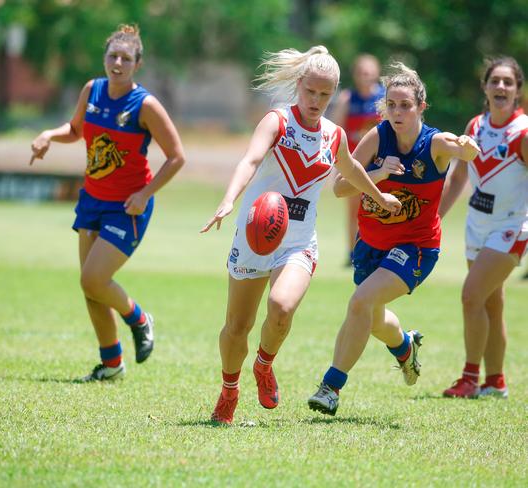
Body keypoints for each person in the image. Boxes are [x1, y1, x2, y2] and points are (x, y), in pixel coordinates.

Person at [200, 45, 402, 425]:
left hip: (297, 243)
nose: (317, 101)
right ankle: (229, 390)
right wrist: (229, 200)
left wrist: (378, 195)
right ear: (299, 85)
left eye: (325, 95)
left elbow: (353, 169)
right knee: (236, 327)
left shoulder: (333, 135)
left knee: (281, 307)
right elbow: (251, 159)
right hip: (254, 236)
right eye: (311, 91)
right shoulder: (277, 121)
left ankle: (264, 364)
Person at [307, 62, 481, 416]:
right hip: (370, 245)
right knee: (372, 318)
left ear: (421, 108)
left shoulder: (434, 144)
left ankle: (331, 387)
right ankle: (404, 347)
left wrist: (466, 147)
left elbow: (463, 150)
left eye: (405, 105)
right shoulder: (377, 136)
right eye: (392, 104)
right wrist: (378, 171)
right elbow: (340, 187)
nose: (397, 112)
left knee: (359, 302)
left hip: (415, 248)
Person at [29, 24, 185, 381]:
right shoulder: (93, 90)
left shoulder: (144, 105)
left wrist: (145, 195)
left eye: (126, 58)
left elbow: (177, 157)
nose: (117, 63)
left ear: (137, 64)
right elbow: (76, 129)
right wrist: (48, 135)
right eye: (112, 56)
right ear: (105, 58)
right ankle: (111, 364)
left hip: (127, 206)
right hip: (92, 201)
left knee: (94, 279)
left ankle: (139, 318)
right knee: (91, 288)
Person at [439, 57, 527, 399]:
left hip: (511, 227)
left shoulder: (523, 133)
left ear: (517, 89)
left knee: (470, 295)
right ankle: (496, 381)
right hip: (477, 225)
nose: (501, 87)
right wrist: (435, 218)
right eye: (496, 81)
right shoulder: (474, 126)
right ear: (485, 87)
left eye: (508, 82)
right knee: (492, 303)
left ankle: (469, 379)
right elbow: (459, 177)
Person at [330, 54, 385, 265]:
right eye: (362, 72)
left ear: (376, 74)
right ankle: (352, 253)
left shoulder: (383, 98)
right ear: (355, 74)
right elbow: (337, 129)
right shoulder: (347, 98)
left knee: (377, 208)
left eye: (370, 72)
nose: (366, 77)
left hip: (377, 163)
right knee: (354, 209)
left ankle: (377, 251)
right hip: (354, 163)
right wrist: (337, 163)